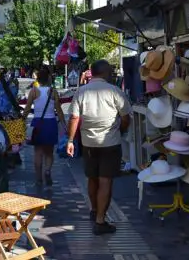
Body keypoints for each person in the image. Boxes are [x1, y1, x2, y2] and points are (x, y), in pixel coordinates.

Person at [66, 60, 130, 235]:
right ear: (106, 72)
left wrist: (70, 140)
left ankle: (94, 210)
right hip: (110, 143)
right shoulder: (115, 91)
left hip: (88, 143)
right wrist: (121, 130)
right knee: (105, 181)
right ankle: (100, 221)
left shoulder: (81, 92)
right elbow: (125, 118)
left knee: (92, 178)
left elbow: (73, 118)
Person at [23, 67, 66, 186]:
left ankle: (38, 178)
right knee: (49, 152)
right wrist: (64, 125)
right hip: (50, 123)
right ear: (48, 78)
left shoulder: (33, 91)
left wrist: (22, 120)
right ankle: (47, 171)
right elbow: (59, 110)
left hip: (37, 123)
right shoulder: (53, 92)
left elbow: (26, 109)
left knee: (38, 152)